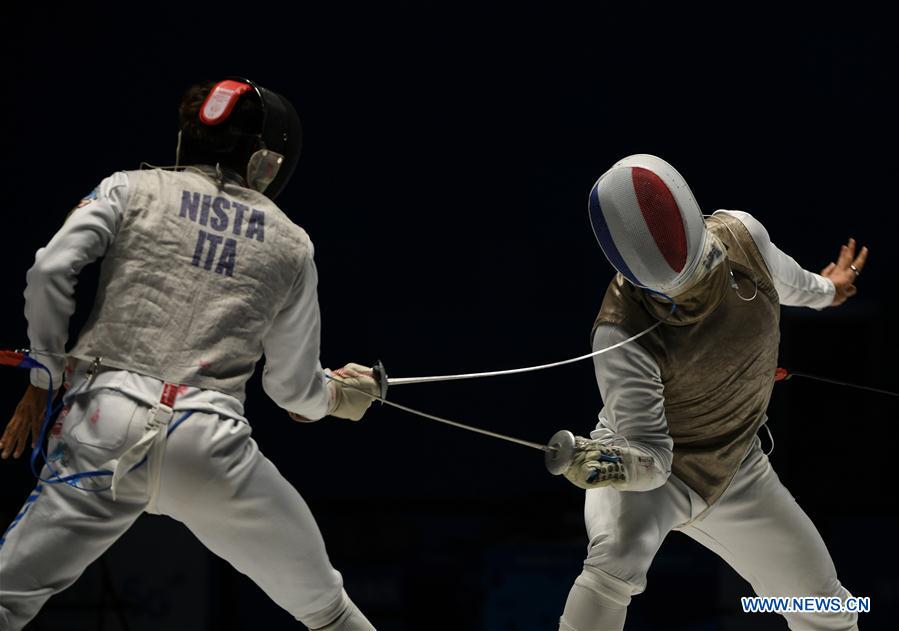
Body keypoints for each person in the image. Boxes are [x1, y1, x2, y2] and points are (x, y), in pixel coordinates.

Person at [0, 78, 379, 631]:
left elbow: (51, 271)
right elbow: (293, 392)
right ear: (268, 162)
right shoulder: (291, 242)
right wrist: (337, 397)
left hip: (103, 428)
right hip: (211, 446)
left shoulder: (130, 189)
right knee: (328, 611)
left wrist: (45, 374)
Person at [558, 154, 867, 630]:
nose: (696, 292)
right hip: (654, 475)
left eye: (704, 268)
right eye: (674, 295)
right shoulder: (619, 331)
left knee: (831, 608)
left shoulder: (745, 238)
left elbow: (791, 284)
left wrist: (830, 288)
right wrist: (611, 465)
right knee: (613, 567)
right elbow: (654, 458)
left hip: (737, 468)